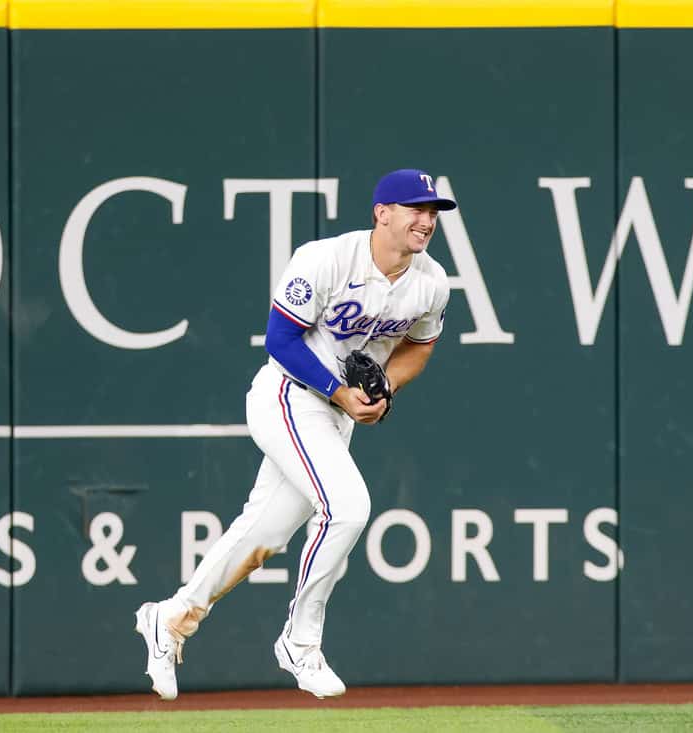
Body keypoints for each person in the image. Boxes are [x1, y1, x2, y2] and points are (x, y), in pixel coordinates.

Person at [134, 168, 455, 700]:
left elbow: (420, 347)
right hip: (287, 396)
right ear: (383, 213)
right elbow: (280, 339)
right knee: (348, 507)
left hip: (335, 414)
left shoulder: (431, 281)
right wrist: (338, 390)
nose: (426, 220)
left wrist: (385, 390)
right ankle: (299, 642)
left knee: (263, 536)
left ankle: (171, 617)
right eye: (416, 209)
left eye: (433, 212)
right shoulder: (325, 258)